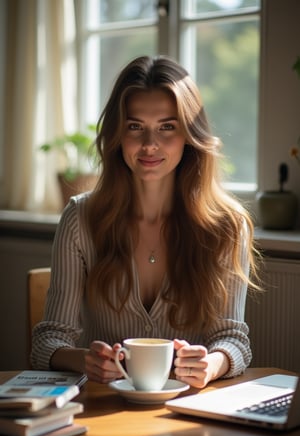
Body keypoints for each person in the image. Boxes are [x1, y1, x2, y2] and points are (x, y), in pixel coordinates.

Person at [31, 55, 260, 389]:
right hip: (105, 408)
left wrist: (209, 365)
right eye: (135, 126)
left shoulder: (227, 225)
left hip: (188, 412)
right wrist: (86, 360)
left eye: (167, 126)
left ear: (189, 136)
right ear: (117, 135)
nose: (150, 144)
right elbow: (47, 341)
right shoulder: (79, 219)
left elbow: (233, 340)